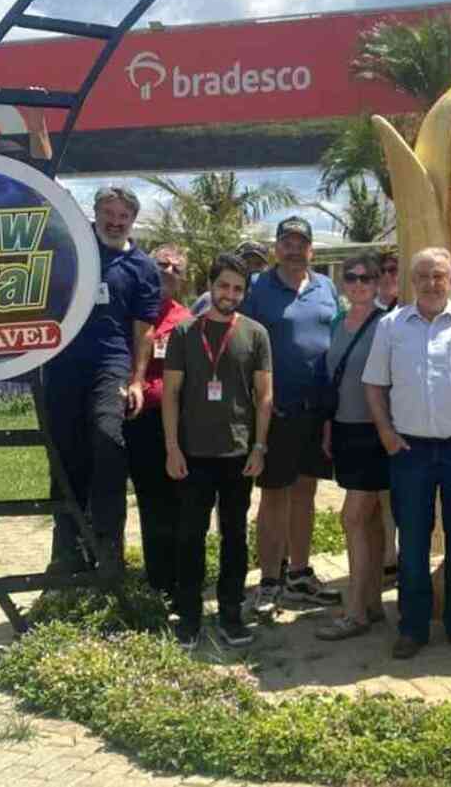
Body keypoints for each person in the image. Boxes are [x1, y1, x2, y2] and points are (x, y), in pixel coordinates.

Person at [363, 247, 451, 659]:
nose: (431, 283)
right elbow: (374, 385)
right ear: (412, 281)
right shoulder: (391, 326)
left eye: (439, 275)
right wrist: (386, 433)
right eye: (423, 275)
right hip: (410, 451)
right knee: (413, 542)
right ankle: (413, 628)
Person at [44, 186, 161, 584]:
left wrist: (138, 380)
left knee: (109, 444)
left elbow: (144, 331)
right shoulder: (71, 252)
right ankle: (67, 555)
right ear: (95, 213)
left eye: (123, 215)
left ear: (132, 220)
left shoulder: (142, 267)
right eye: (108, 213)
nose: (115, 221)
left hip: (111, 366)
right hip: (62, 366)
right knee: (63, 458)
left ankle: (109, 550)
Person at [163, 253, 273, 648]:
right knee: (190, 536)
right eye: (224, 286)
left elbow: (264, 397)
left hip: (238, 454)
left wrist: (259, 447)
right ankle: (189, 618)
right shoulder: (184, 333)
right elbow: (171, 395)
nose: (230, 294)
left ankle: (231, 615)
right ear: (210, 286)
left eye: (238, 288)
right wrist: (172, 448)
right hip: (192, 454)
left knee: (234, 536)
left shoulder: (256, 334)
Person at [241, 216, 342, 613]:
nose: (294, 249)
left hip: (315, 410)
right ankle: (269, 580)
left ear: (311, 249)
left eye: (301, 243)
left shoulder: (327, 287)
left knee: (306, 492)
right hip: (275, 409)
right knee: (274, 495)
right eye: (287, 242)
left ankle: (299, 574)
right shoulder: (257, 288)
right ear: (276, 247)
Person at [316, 253, 390, 640]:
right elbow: (334, 380)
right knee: (371, 520)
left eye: (367, 277)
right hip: (344, 428)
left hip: (374, 431)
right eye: (352, 277)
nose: (359, 283)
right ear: (343, 282)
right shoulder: (337, 324)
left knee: (354, 518)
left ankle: (355, 612)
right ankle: (372, 604)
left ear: (378, 283)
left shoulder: (387, 325)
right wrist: (329, 427)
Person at [122, 244, 193, 602]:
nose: (167, 271)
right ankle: (159, 581)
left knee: (181, 501)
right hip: (141, 421)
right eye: (161, 264)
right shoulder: (133, 313)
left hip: (179, 424)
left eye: (175, 268)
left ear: (182, 280)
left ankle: (185, 577)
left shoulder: (186, 320)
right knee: (151, 502)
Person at [375, 249, 401, 586]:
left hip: (410, 415)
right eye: (383, 269)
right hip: (378, 415)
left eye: (394, 268)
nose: (389, 274)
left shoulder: (413, 309)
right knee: (383, 493)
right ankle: (387, 557)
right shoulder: (368, 313)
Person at [192, 240, 269, 316]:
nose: (252, 268)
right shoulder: (208, 299)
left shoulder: (268, 303)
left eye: (258, 264)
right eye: (246, 262)